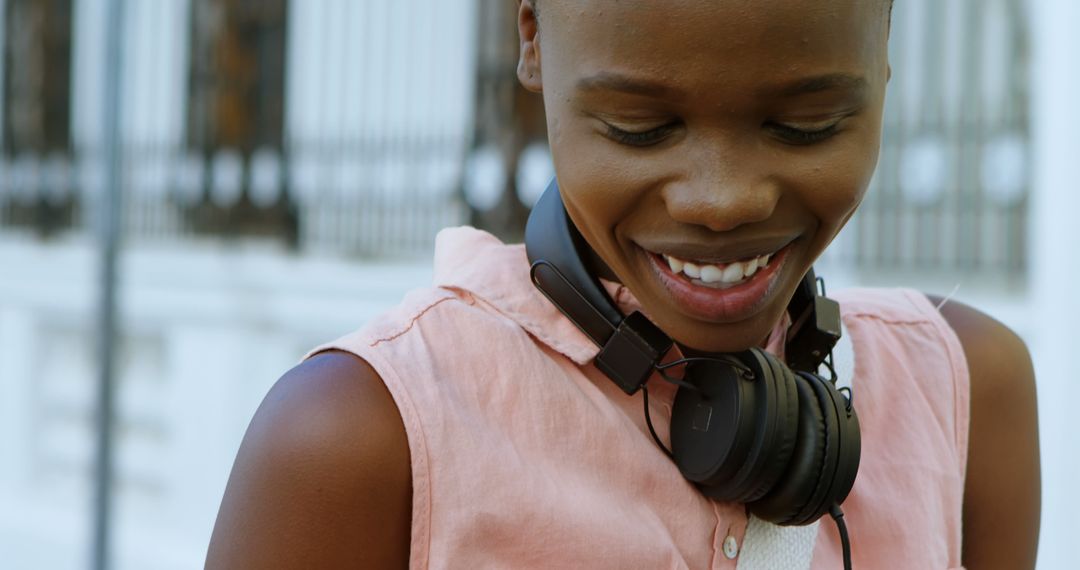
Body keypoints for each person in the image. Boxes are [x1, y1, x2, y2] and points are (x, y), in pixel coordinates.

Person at [205, 1, 1041, 568]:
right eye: (642, 128)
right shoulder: (360, 439)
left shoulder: (966, 396)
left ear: (885, 49)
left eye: (805, 125)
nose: (722, 200)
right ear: (531, 39)